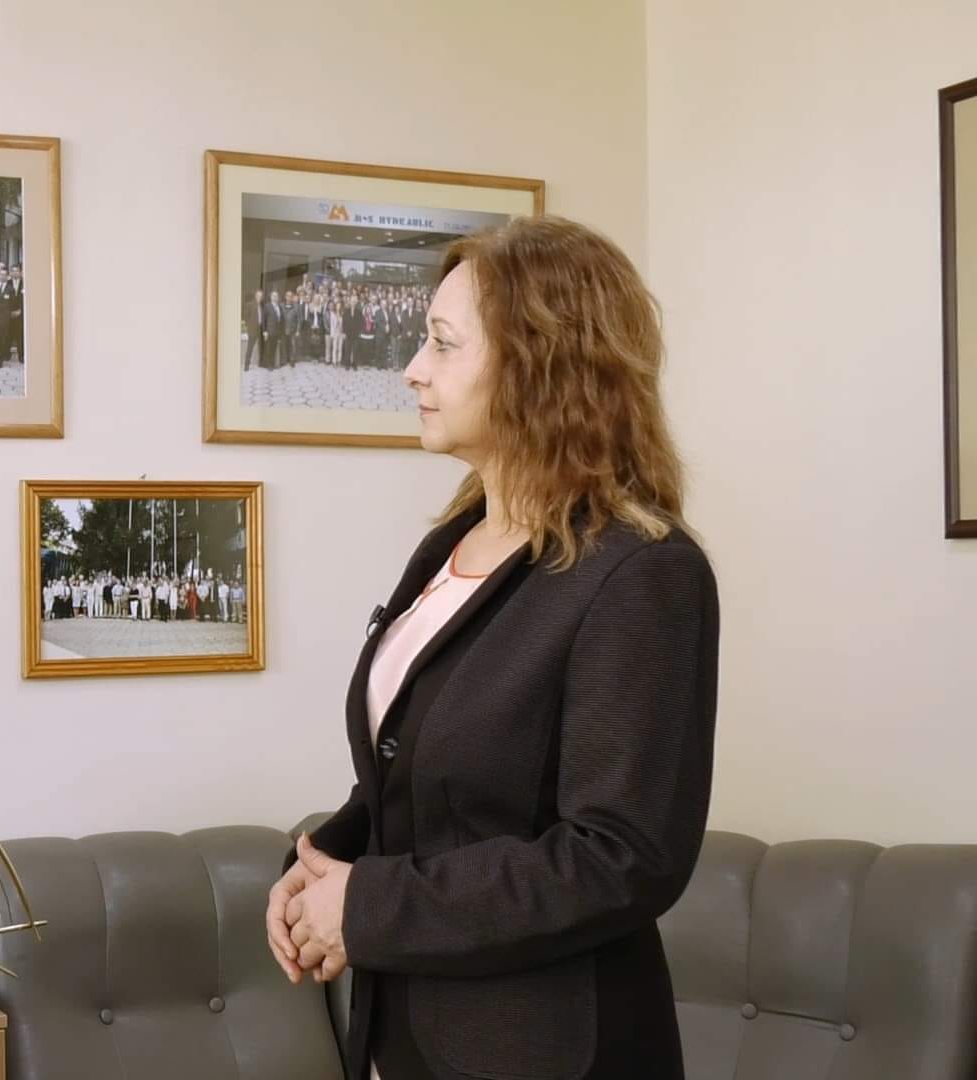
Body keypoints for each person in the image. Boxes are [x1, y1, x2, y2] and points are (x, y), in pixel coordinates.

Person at [266, 215, 717, 1080]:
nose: (413, 369)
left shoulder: (643, 572)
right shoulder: (451, 544)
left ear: (541, 366)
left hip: (544, 1053)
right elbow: (424, 775)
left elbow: (622, 857)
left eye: (442, 344)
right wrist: (324, 867)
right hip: (404, 1033)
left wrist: (368, 906)